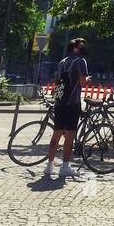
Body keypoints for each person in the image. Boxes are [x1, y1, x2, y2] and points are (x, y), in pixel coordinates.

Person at [44, 38, 88, 179]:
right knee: (69, 137)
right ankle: (65, 167)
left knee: (55, 135)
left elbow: (57, 82)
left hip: (59, 102)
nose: (83, 48)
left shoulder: (62, 62)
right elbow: (82, 82)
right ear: (76, 48)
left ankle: (49, 166)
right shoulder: (81, 61)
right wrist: (87, 80)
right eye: (82, 46)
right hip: (72, 102)